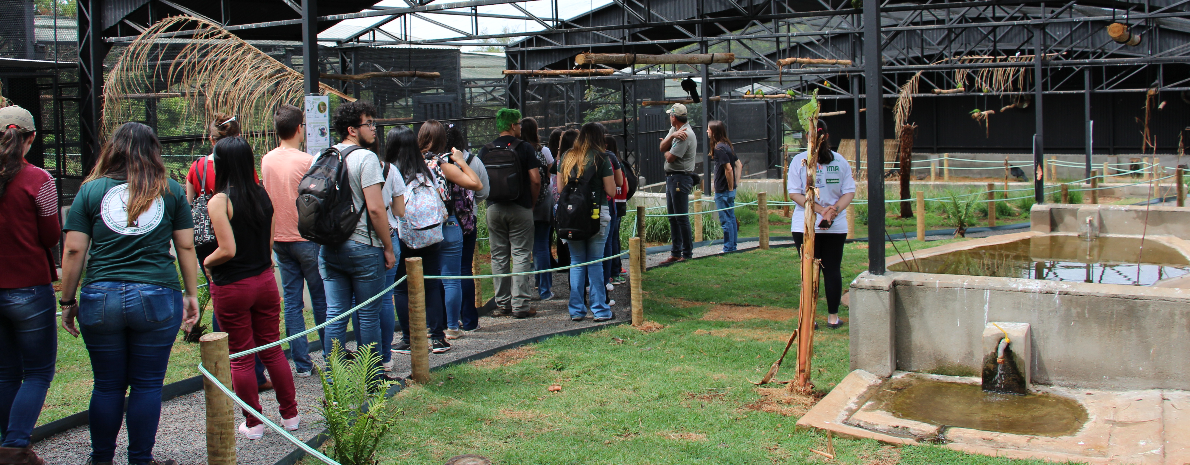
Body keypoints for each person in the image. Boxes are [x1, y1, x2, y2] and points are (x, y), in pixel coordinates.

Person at [60, 122, 200, 465]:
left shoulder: (90, 191)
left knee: (107, 385)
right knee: (147, 385)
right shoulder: (169, 190)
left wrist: (66, 300)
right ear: (154, 151)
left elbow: (74, 251)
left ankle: (101, 459)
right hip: (156, 294)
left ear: (114, 149)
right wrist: (191, 294)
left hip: (100, 297)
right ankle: (140, 459)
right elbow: (185, 245)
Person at [204, 136, 299, 440]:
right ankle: (291, 416)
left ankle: (254, 423)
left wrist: (207, 262)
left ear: (220, 164)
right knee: (272, 349)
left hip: (233, 285)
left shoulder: (220, 201)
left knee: (241, 355)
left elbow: (227, 249)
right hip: (264, 281)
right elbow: (269, 242)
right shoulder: (262, 195)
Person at [185, 113, 268, 388]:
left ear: (211, 139)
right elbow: (252, 196)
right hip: (239, 245)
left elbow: (190, 204)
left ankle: (221, 366)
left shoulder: (196, 168)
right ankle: (251, 371)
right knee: (245, 316)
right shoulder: (243, 169)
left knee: (221, 302)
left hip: (208, 243)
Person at [318, 101, 396, 373]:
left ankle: (334, 377)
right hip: (364, 246)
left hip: (330, 246)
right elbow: (375, 208)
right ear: (352, 129)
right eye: (368, 123)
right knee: (367, 316)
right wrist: (388, 247)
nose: (374, 128)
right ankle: (372, 377)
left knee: (335, 314)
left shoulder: (324, 155)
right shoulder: (366, 158)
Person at [0, 106, 58, 464]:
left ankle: (9, 442)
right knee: (37, 372)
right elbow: (50, 234)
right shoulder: (39, 180)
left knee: (6, 371)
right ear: (31, 138)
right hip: (29, 287)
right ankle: (15, 445)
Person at [390, 122, 478, 354]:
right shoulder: (435, 165)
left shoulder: (390, 169)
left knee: (401, 289)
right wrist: (459, 160)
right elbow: (475, 184)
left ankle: (409, 338)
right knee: (440, 282)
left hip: (404, 232)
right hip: (437, 229)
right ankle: (442, 334)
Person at [260, 104, 326, 378]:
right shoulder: (307, 161)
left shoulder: (266, 160)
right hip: (307, 238)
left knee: (292, 301)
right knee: (321, 298)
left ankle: (301, 362)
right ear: (300, 128)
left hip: (279, 239)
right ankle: (330, 355)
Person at [787, 120, 855, 329]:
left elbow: (794, 193)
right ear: (826, 135)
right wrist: (832, 210)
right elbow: (849, 192)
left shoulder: (799, 161)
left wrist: (820, 210)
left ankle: (810, 318)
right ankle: (833, 318)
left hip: (805, 225)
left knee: (809, 270)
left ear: (808, 137)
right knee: (832, 270)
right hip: (833, 224)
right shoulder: (840, 161)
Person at [477, 108, 542, 319]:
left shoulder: (485, 150)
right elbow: (535, 179)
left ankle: (502, 303)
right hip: (520, 207)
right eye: (519, 123)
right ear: (513, 126)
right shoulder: (524, 148)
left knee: (498, 255)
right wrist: (530, 203)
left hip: (494, 208)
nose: (521, 127)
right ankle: (521, 305)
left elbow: (479, 180)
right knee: (521, 254)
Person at [554, 123, 616, 321]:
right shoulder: (602, 158)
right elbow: (612, 191)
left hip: (572, 216)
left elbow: (560, 187)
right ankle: (600, 309)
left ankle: (576, 310)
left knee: (577, 262)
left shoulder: (566, 157)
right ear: (599, 138)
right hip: (597, 213)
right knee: (596, 262)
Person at [445, 123, 489, 333]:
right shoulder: (472, 161)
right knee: (464, 270)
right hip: (467, 221)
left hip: (440, 224)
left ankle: (445, 322)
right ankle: (470, 321)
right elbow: (483, 191)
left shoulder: (433, 163)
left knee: (442, 273)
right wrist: (470, 204)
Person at [376, 128, 407, 371]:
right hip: (387, 235)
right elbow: (399, 211)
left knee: (357, 302)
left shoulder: (338, 163)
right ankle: (384, 356)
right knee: (385, 298)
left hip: (350, 241)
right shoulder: (388, 169)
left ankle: (356, 361)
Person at [659, 103, 697, 264]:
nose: (669, 117)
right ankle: (675, 252)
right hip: (672, 178)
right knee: (673, 217)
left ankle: (686, 252)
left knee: (681, 217)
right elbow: (662, 147)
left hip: (680, 178)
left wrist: (667, 145)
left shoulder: (685, 134)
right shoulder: (675, 131)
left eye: (670, 115)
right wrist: (671, 138)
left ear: (674, 117)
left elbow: (669, 156)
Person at [522, 117, 555, 301]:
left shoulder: (519, 150)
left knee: (525, 248)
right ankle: (544, 289)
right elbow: (551, 174)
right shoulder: (543, 151)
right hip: (543, 202)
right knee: (542, 246)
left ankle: (526, 288)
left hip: (523, 204)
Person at [707, 120, 742, 253]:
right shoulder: (728, 146)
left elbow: (729, 169)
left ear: (714, 131)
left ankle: (728, 248)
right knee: (731, 218)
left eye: (708, 129)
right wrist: (735, 185)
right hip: (728, 190)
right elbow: (739, 164)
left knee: (726, 220)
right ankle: (732, 246)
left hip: (723, 191)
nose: (707, 131)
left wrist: (731, 187)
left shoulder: (719, 148)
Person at [601, 135, 626, 292]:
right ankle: (611, 275)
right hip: (611, 204)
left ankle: (608, 275)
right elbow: (623, 184)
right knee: (611, 240)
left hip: (605, 205)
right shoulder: (611, 158)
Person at [552, 129, 579, 269]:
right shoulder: (581, 160)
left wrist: (561, 141)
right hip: (579, 204)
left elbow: (560, 188)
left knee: (563, 236)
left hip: (563, 204)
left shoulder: (561, 161)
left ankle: (564, 262)